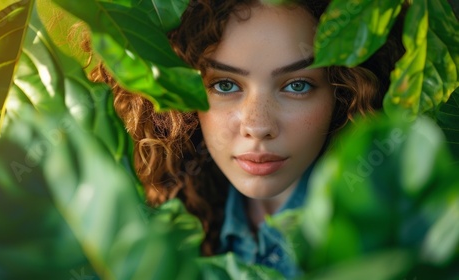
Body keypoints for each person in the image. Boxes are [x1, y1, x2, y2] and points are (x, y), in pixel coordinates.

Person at [88, 0, 405, 277]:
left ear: (344, 92)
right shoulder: (152, 227)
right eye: (225, 85)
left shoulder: (394, 243)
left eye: (297, 85)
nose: (258, 125)